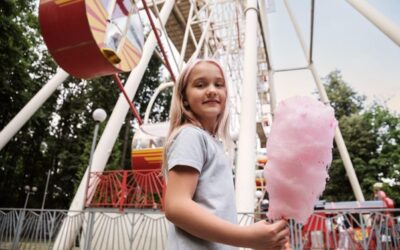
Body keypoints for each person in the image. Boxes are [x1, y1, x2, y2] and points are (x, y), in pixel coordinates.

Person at [163, 58, 289, 250]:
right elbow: (176, 206)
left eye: (219, 84)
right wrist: (247, 237)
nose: (212, 89)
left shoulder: (214, 144)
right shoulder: (190, 135)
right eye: (200, 84)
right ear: (184, 99)